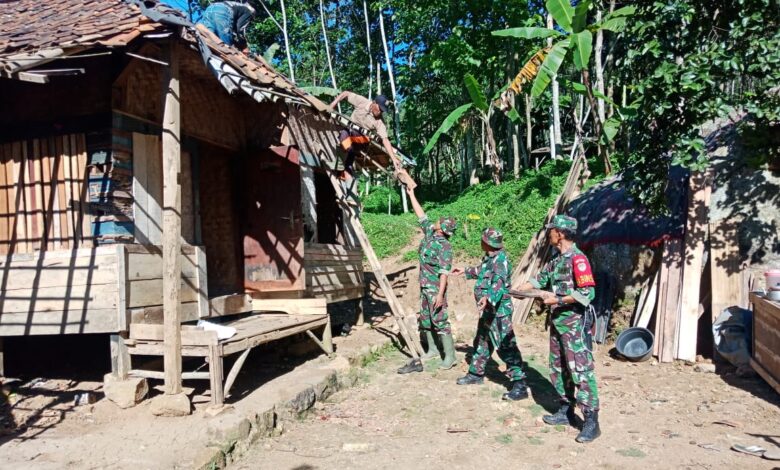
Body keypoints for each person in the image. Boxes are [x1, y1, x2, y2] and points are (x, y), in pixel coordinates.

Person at [515, 214, 601, 443]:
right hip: (558, 324)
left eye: (551, 230)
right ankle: (565, 410)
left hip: (574, 325)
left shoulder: (578, 260)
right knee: (558, 368)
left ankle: (591, 421)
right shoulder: (557, 259)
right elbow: (538, 280)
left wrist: (559, 300)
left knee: (581, 371)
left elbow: (588, 293)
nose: (549, 233)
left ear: (560, 233)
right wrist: (516, 290)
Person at [450, 228, 529, 401]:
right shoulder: (490, 258)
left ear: (487, 242)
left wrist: (488, 298)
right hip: (488, 312)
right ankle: (476, 374)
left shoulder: (501, 260)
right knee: (482, 341)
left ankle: (520, 384)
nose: (480, 241)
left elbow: (498, 284)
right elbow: (482, 271)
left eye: (482, 239)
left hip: (499, 312)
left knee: (506, 346)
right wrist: (465, 271)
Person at [396, 178, 457, 374]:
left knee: (440, 320)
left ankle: (450, 356)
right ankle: (431, 349)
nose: (436, 221)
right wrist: (411, 194)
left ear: (442, 228)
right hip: (424, 287)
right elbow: (420, 214)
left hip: (435, 289)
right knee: (425, 319)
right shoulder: (431, 234)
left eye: (439, 221)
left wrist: (440, 294)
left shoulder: (445, 247)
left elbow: (444, 274)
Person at [328, 91, 401, 179]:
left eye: (382, 111)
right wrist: (333, 104)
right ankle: (346, 168)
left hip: (362, 140)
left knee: (345, 135)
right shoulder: (362, 102)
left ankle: (343, 166)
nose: (380, 112)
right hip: (350, 133)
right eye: (380, 109)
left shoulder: (380, 122)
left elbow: (385, 140)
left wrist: (393, 158)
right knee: (345, 137)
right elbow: (345, 93)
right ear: (374, 103)